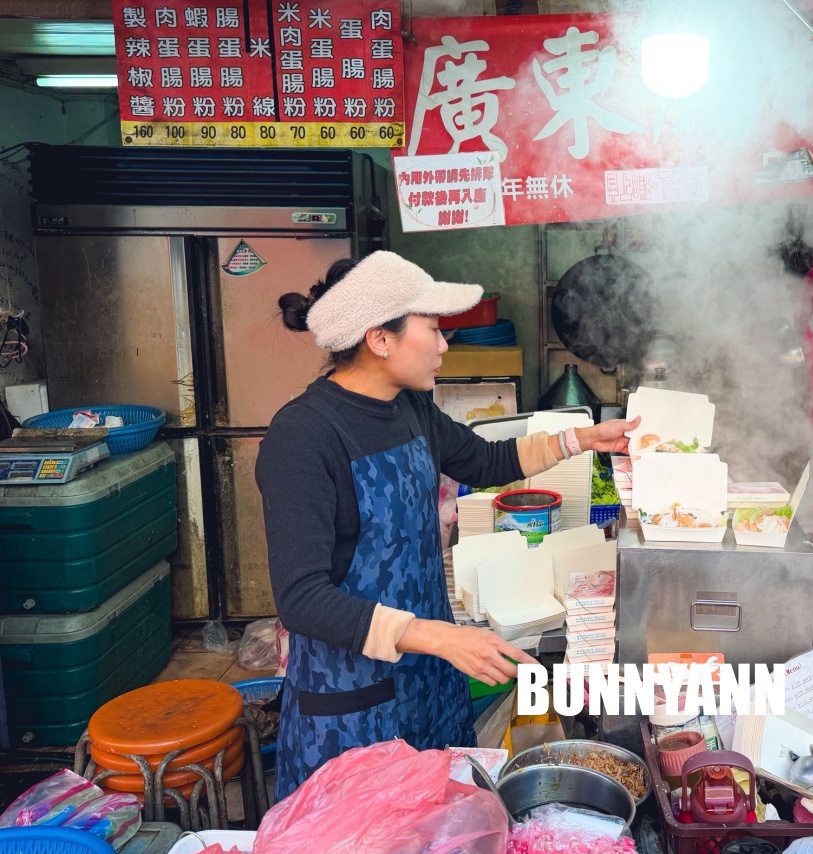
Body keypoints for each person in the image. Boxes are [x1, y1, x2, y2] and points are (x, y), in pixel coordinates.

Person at [257, 251, 637, 801]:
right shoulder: (304, 436)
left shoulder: (409, 406)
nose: (443, 345)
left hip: (431, 682)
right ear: (379, 339)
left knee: (442, 830)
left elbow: (483, 462)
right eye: (433, 329)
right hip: (353, 706)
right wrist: (443, 637)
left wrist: (580, 439)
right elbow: (302, 598)